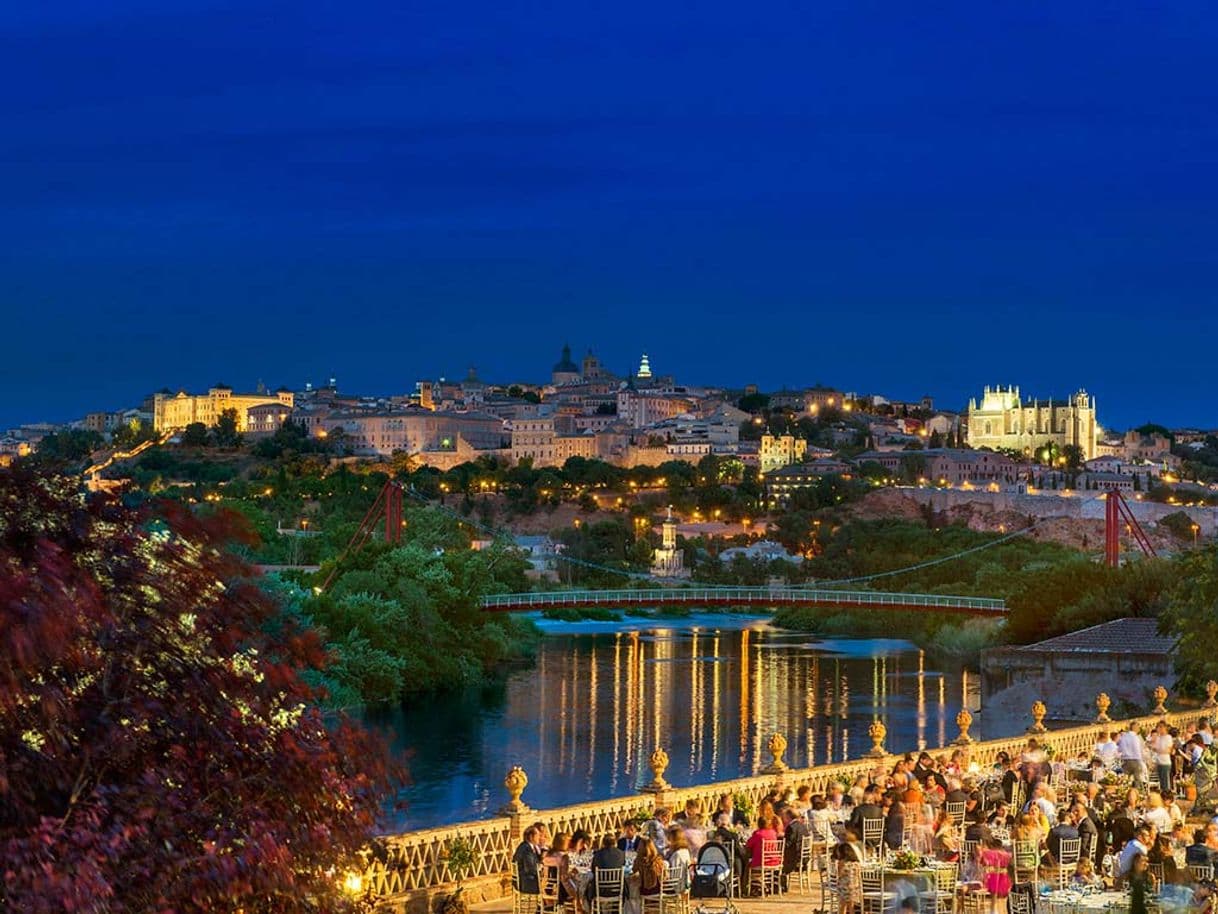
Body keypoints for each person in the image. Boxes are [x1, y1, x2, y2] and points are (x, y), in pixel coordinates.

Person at [745, 815, 781, 893]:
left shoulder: (758, 834)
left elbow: (748, 845)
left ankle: (747, 887)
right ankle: (760, 884)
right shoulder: (773, 833)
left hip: (761, 862)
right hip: (774, 861)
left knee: (746, 864)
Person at [833, 828, 866, 914]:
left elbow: (839, 874)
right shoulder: (856, 863)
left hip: (844, 888)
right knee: (851, 907)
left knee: (842, 906)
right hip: (854, 888)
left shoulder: (842, 863)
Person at [545, 833, 580, 911]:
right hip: (561, 890)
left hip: (547, 888)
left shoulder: (547, 855)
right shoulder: (564, 857)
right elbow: (564, 877)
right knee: (581, 888)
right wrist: (573, 873)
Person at [589, 835, 627, 905]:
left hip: (600, 890)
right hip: (617, 890)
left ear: (603, 843)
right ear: (615, 843)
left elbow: (593, 870)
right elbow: (624, 865)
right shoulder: (621, 854)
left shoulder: (597, 854)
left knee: (587, 886)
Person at [979, 836, 1012, 913]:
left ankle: (993, 908)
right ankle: (997, 909)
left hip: (991, 878)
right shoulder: (1007, 855)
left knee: (994, 880)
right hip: (1004, 879)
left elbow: (983, 864)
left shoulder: (988, 853)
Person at [781, 807, 810, 891]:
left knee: (778, 862)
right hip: (804, 857)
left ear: (789, 816)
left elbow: (788, 843)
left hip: (794, 858)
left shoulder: (791, 827)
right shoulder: (803, 826)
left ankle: (782, 886)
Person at [513, 825, 544, 894]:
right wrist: (541, 869)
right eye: (537, 835)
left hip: (524, 880)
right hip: (527, 882)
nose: (539, 838)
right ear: (531, 837)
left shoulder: (525, 846)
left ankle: (546, 902)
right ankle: (548, 903)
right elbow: (530, 868)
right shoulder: (527, 850)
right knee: (550, 883)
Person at [1148, 721, 1175, 797]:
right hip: (1159, 762)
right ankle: (1163, 796)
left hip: (1165, 762)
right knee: (1161, 783)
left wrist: (1157, 750)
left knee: (1166, 783)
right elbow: (1155, 747)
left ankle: (1168, 797)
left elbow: (1168, 750)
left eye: (1160, 727)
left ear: (1164, 728)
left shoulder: (1168, 737)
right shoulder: (1159, 738)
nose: (1158, 729)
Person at [1117, 722, 1147, 787]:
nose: (1139, 729)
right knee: (1137, 780)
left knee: (1125, 780)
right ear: (1134, 728)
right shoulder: (1136, 738)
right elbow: (1138, 750)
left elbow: (1120, 749)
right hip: (1136, 760)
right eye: (1138, 727)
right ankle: (1138, 793)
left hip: (1125, 761)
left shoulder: (1123, 737)